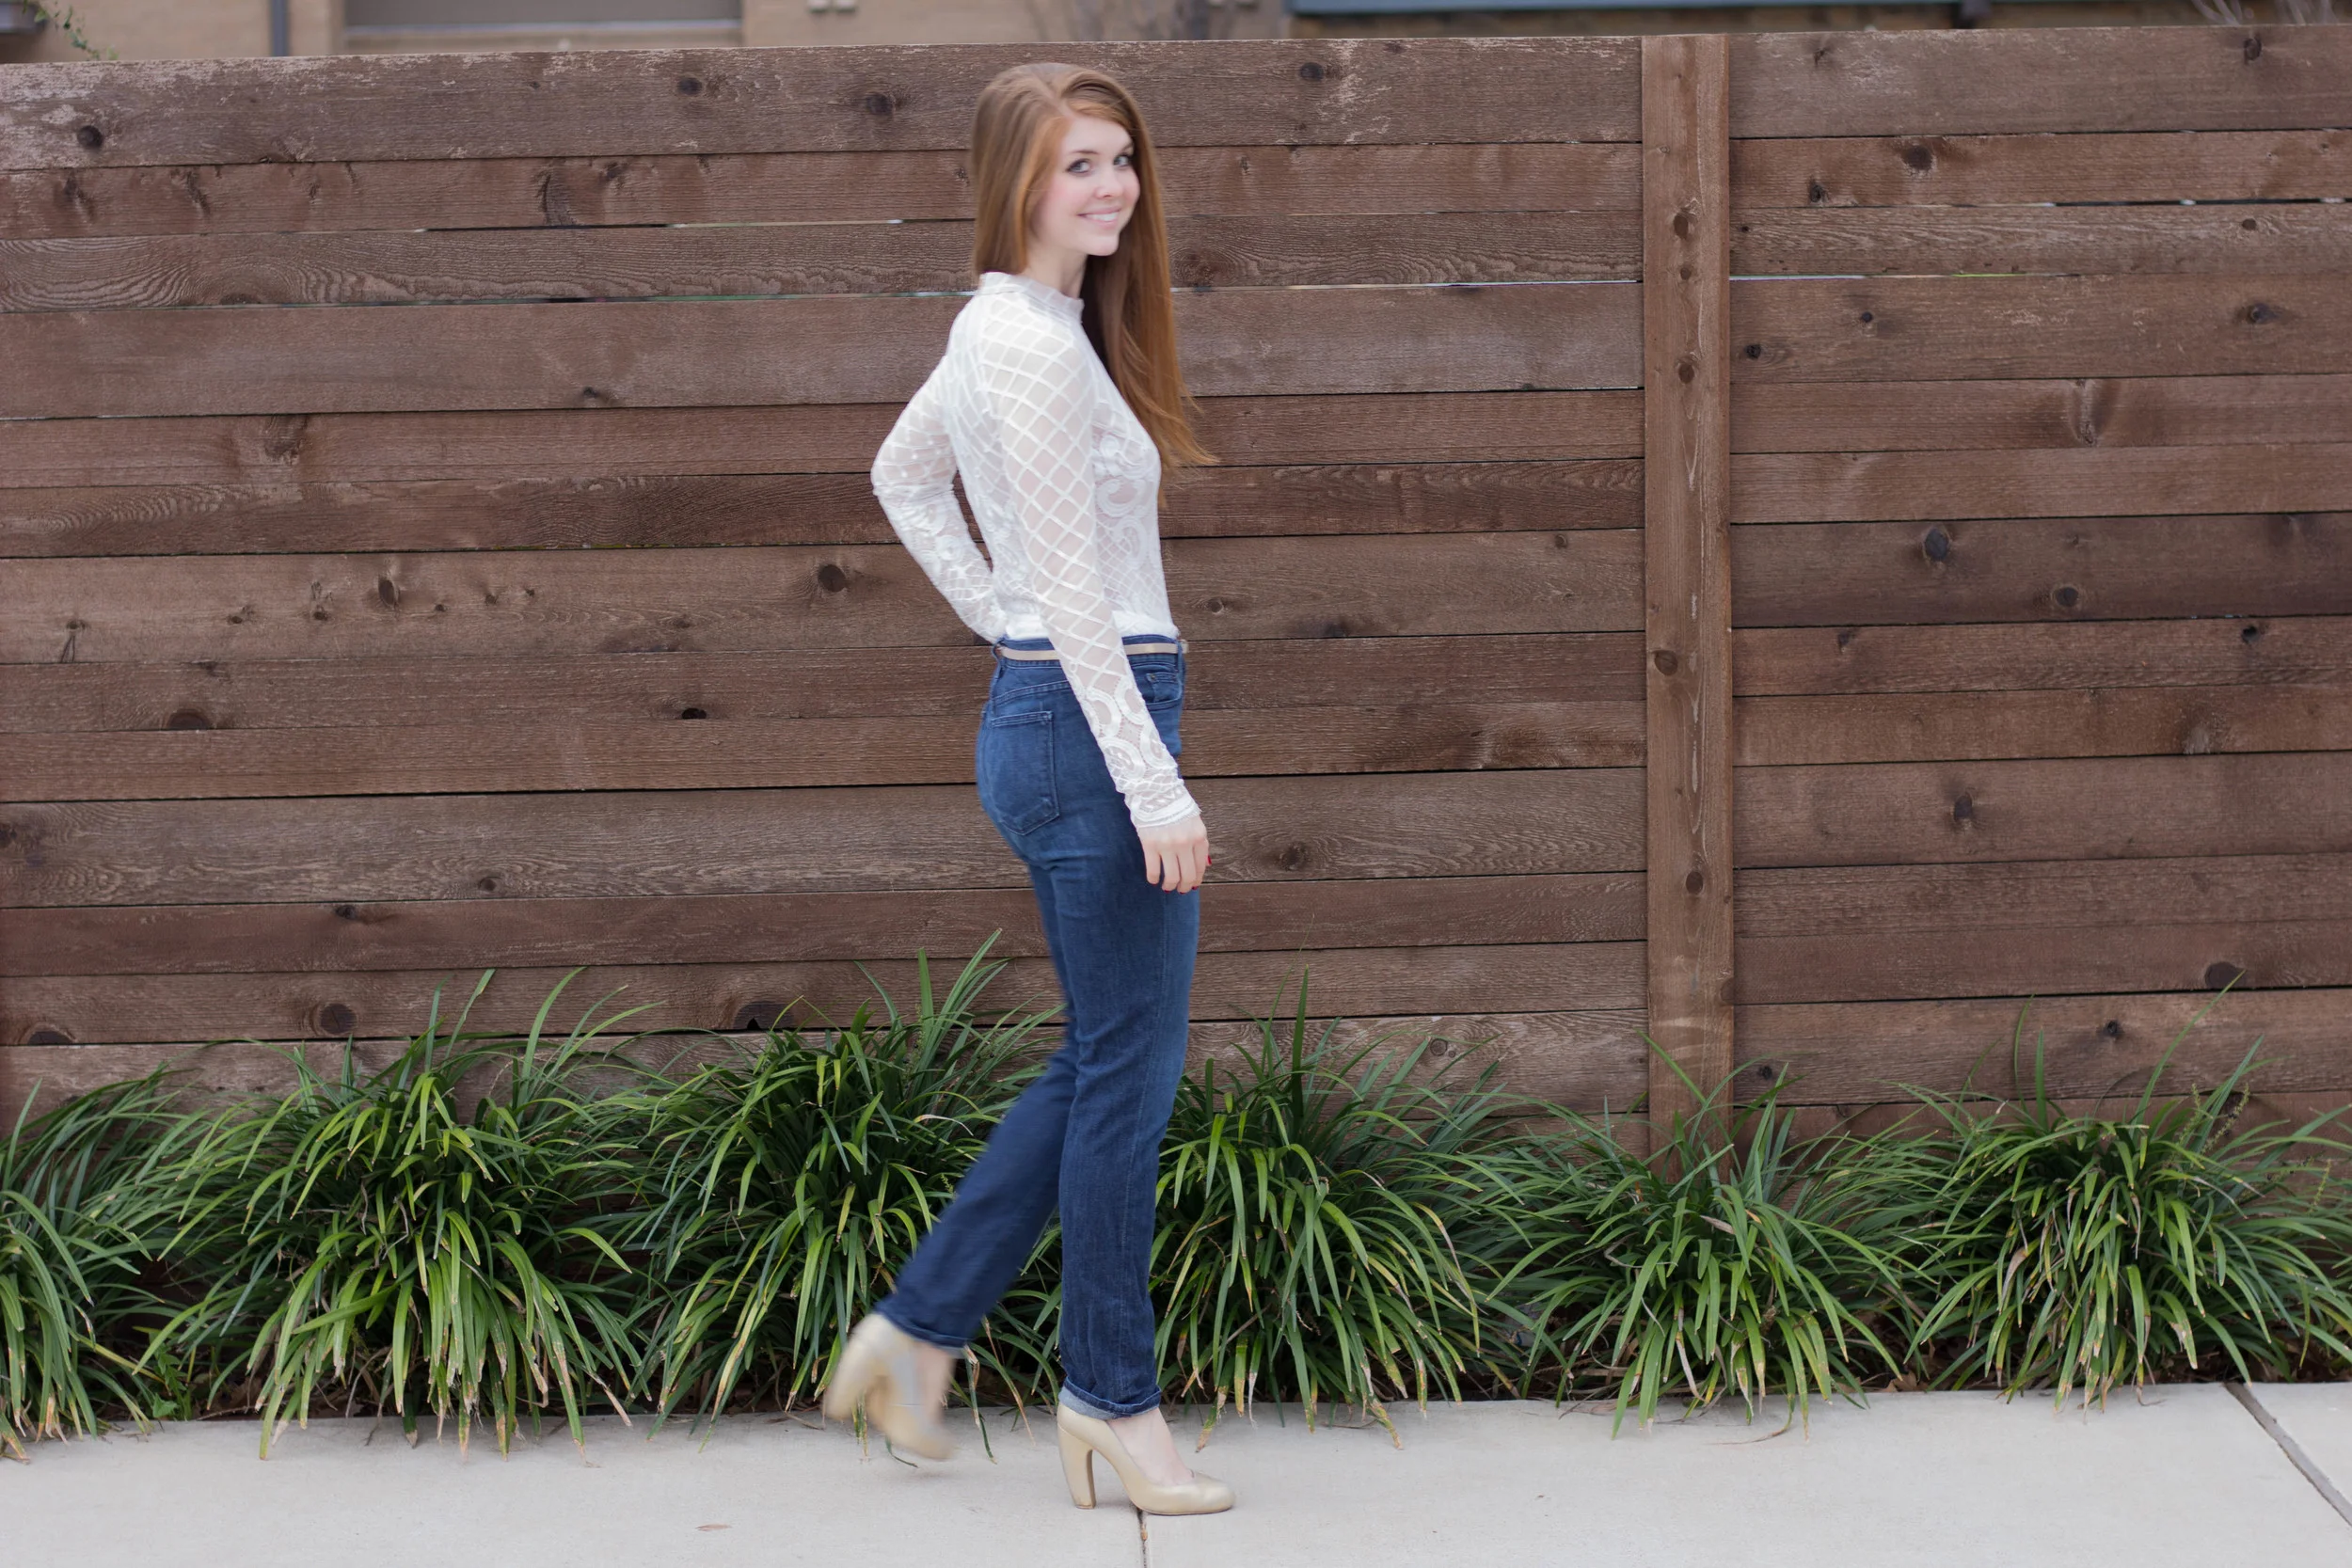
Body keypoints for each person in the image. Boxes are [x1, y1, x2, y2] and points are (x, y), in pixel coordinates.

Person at [819, 62, 1233, 1517]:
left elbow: (900, 475)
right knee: (1128, 1075)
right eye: (1079, 166)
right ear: (1017, 182)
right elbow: (1067, 590)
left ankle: (920, 1328)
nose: (1112, 187)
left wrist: (1007, 621)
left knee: (1103, 1059)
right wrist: (1156, 789)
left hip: (1065, 708)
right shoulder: (1031, 348)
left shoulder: (1020, 327)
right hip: (1091, 721)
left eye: (1122, 159)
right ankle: (1114, 1404)